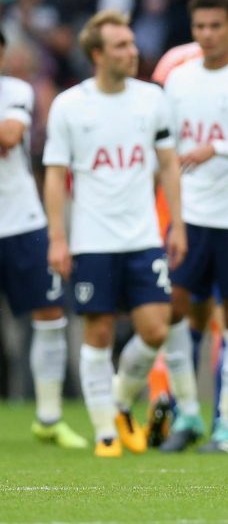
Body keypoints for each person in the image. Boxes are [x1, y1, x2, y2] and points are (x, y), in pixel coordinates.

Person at [42, 10, 187, 457]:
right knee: (99, 332)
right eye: (121, 45)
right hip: (93, 239)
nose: (132, 51)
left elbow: (167, 163)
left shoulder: (151, 98)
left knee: (156, 329)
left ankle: (120, 400)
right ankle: (106, 432)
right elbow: (55, 174)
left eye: (131, 42)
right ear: (97, 54)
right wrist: (58, 238)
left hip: (143, 236)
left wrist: (176, 224)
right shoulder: (70, 105)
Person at [150, 0, 228, 451]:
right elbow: (167, 150)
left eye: (215, 26)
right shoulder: (179, 78)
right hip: (190, 216)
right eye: (199, 25)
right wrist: (173, 217)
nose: (206, 34)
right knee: (179, 312)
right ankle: (188, 416)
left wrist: (218, 147)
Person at [0, 31, 86, 450]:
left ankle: (49, 417)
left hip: (20, 222)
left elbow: (9, 136)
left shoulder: (14, 90)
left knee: (50, 313)